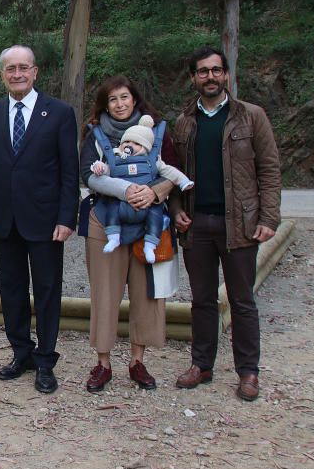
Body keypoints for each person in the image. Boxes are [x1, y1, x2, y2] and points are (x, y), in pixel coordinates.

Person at [170, 48, 281, 402]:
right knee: (201, 300)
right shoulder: (184, 122)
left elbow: (270, 169)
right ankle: (201, 365)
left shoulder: (251, 116)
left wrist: (268, 218)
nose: (210, 77)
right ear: (193, 78)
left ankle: (248, 372)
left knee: (242, 300)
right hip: (196, 223)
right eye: (203, 72)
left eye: (216, 70)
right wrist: (175, 210)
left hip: (241, 225)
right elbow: (172, 174)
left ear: (227, 75)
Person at [0, 45, 79, 394]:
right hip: (4, 221)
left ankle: (46, 360)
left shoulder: (60, 113)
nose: (17, 74)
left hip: (47, 221)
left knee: (48, 291)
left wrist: (68, 216)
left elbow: (69, 171)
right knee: (12, 291)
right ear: (2, 74)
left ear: (35, 72)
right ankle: (22, 353)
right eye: (10, 69)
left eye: (23, 68)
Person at [79, 75, 180, 392]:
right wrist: (130, 190)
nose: (119, 104)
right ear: (104, 104)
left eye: (124, 97)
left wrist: (155, 193)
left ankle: (138, 360)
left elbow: (174, 173)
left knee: (147, 293)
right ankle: (103, 362)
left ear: (135, 99)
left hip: (149, 220)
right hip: (105, 220)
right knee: (104, 293)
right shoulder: (93, 134)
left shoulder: (159, 132)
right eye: (113, 99)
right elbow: (87, 174)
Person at [90, 114, 194, 261]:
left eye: (136, 143)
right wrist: (99, 167)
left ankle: (150, 245)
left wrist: (183, 181)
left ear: (145, 146)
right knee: (112, 209)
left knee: (155, 216)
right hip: (122, 202)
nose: (130, 146)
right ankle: (113, 236)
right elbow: (105, 170)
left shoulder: (153, 162)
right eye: (127, 141)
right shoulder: (116, 158)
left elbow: (171, 172)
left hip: (148, 203)